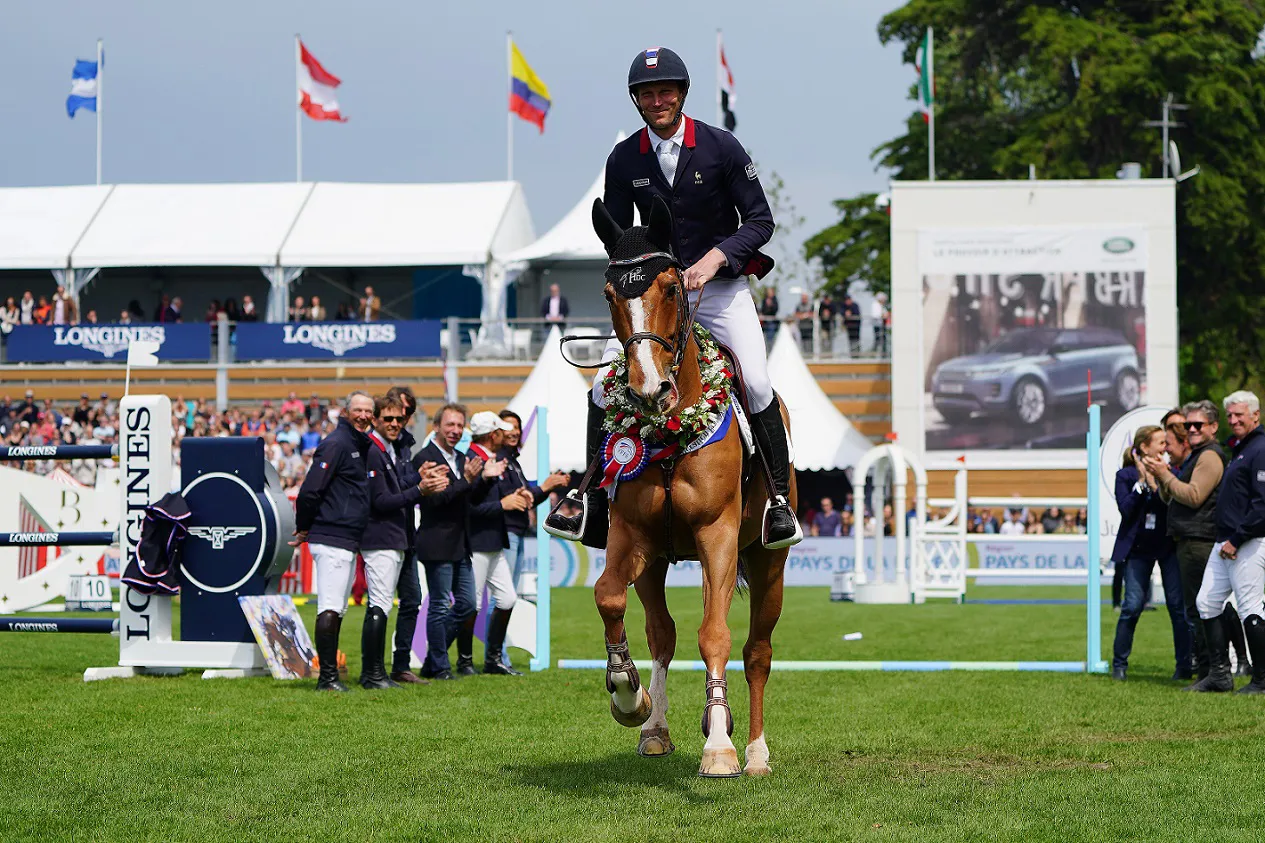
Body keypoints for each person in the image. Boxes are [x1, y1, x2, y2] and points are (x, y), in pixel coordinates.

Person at [549, 46, 799, 550]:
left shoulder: (721, 147)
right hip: (657, 297)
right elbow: (619, 237)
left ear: (681, 94)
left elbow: (760, 221)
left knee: (755, 380)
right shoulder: (624, 158)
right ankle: (592, 503)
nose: (657, 100)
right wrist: (643, 277)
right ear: (637, 101)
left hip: (720, 290)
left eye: (665, 91)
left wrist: (714, 260)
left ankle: (777, 503)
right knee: (601, 386)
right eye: (647, 93)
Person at [1147, 403, 1241, 682]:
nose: (1191, 430)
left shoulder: (1209, 457)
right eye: (1188, 425)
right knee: (1199, 607)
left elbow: (1194, 496)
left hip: (1199, 540)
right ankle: (1213, 669)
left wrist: (1165, 476)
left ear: (1213, 427)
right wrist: (1162, 480)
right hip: (1190, 538)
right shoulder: (1198, 456)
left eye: (1198, 425)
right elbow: (1174, 498)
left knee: (1202, 608)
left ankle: (1213, 670)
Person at [361, 394, 449, 689]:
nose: (396, 424)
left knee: (411, 601)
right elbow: (382, 500)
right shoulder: (372, 450)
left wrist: (416, 476)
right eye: (388, 419)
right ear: (375, 419)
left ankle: (396, 667)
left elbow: (399, 483)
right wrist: (420, 490)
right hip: (382, 536)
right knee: (381, 603)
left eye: (400, 418)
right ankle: (373, 673)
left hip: (402, 536)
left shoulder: (394, 447)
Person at [292, 391, 374, 692]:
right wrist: (303, 528)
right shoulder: (337, 443)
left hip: (345, 536)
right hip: (333, 535)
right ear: (346, 412)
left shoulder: (353, 444)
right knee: (329, 606)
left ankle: (330, 676)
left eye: (369, 411)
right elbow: (310, 491)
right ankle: (327, 678)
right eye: (359, 410)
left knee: (337, 607)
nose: (364, 415)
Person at [1185, 391, 1265, 693]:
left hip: (1249, 541)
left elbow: (1262, 505)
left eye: (1239, 415)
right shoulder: (1241, 448)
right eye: (1229, 415)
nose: (1233, 420)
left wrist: (1237, 537)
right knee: (1206, 601)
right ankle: (1220, 675)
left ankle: (1261, 679)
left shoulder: (1260, 448)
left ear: (1255, 415)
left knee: (1250, 607)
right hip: (1227, 541)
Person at [413, 403, 498, 679]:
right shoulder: (425, 458)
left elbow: (466, 498)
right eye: (450, 425)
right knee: (439, 605)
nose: (455, 430)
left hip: (461, 544)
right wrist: (467, 480)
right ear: (436, 426)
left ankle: (432, 659)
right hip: (437, 542)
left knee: (466, 605)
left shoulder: (461, 458)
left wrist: (482, 481)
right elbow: (437, 500)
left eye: (460, 426)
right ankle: (439, 665)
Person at [1109, 425, 1191, 681]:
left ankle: (1184, 666)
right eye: (1160, 442)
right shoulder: (1125, 475)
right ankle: (1119, 665)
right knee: (1132, 606)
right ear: (1144, 447)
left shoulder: (1172, 473)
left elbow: (1172, 506)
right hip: (1137, 550)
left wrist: (1158, 480)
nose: (1165, 446)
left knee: (1178, 608)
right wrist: (1142, 482)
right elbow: (1126, 510)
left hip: (1167, 547)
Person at [463, 412, 530, 675]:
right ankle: (465, 661)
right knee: (473, 604)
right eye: (501, 431)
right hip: (477, 541)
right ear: (493, 435)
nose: (506, 434)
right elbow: (469, 506)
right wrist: (501, 504)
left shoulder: (489, 458)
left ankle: (492, 659)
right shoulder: (474, 459)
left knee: (507, 598)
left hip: (492, 539)